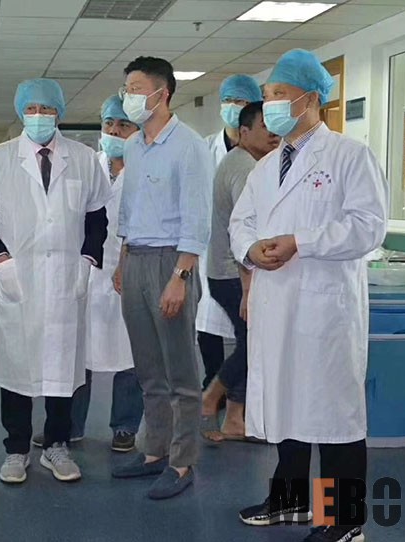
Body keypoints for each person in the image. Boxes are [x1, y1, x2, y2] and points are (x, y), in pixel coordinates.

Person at [230, 49, 388, 542]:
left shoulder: (349, 156)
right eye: (268, 96)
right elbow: (240, 222)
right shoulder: (264, 168)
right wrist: (250, 249)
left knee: (335, 416)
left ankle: (346, 521)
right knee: (286, 405)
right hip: (276, 303)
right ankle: (291, 501)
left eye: (280, 94)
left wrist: (302, 241)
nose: (271, 105)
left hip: (325, 310)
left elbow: (369, 227)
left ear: (312, 98)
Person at [0, 78, 111, 484]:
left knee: (62, 367)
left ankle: (56, 445)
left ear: (59, 113)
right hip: (20, 277)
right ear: (20, 112)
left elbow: (97, 218)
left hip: (67, 278)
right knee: (16, 367)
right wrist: (1, 261)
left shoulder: (83, 158)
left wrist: (87, 260)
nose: (39, 116)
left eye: (47, 109)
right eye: (31, 109)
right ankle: (16, 450)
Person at [110, 57, 213, 500]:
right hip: (136, 259)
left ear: (162, 93)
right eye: (127, 89)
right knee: (148, 368)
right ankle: (154, 451)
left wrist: (180, 276)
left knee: (180, 373)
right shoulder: (133, 145)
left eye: (136, 88)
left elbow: (197, 216)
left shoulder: (189, 146)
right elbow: (129, 210)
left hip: (173, 261)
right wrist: (122, 259)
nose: (129, 97)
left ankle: (182, 461)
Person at [32, 95, 143, 453]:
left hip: (129, 271)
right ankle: (70, 425)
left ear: (138, 129)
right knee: (77, 352)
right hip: (85, 269)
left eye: (123, 125)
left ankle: (125, 426)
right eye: (109, 123)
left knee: (131, 353)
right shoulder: (86, 164)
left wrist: (125, 264)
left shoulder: (146, 171)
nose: (114, 131)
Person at [202, 101, 279, 443]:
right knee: (253, 343)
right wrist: (248, 289)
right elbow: (244, 232)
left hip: (229, 271)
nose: (273, 134)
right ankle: (213, 395)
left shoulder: (244, 161)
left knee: (250, 340)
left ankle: (234, 418)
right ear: (244, 132)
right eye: (265, 127)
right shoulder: (245, 168)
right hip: (235, 273)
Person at [198, 74, 264, 391]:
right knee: (208, 328)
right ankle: (214, 387)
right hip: (211, 254)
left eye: (240, 101)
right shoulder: (204, 149)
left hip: (244, 257)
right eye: (227, 100)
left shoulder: (263, 152)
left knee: (247, 336)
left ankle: (227, 395)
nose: (232, 107)